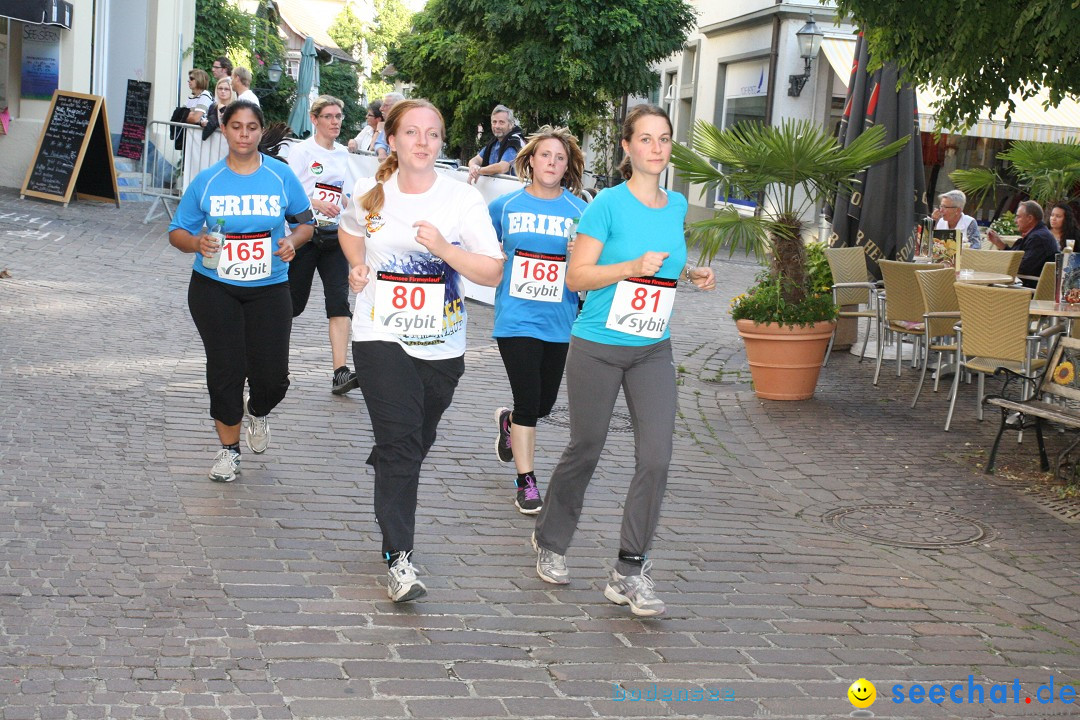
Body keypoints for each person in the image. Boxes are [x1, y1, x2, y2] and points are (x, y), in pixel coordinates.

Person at [530, 104, 716, 617]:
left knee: (655, 457)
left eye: (664, 139)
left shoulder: (676, 205)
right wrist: (631, 266)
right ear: (627, 148)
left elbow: (659, 275)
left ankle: (629, 570)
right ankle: (550, 537)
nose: (657, 148)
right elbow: (577, 278)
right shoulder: (605, 206)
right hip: (597, 346)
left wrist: (688, 275)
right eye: (646, 139)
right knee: (586, 447)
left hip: (653, 347)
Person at [337, 99, 504, 602]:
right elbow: (348, 231)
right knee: (404, 442)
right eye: (412, 132)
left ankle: (390, 460)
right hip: (378, 334)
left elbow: (492, 271)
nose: (423, 142)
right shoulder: (371, 193)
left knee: (414, 440)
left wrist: (446, 251)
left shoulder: (461, 201)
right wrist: (357, 266)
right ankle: (400, 557)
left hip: (441, 344)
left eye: (433, 134)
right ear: (392, 140)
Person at [167, 100, 314, 483]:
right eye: (236, 126)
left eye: (251, 127)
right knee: (225, 368)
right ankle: (229, 451)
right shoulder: (208, 180)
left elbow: (305, 223)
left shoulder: (280, 176)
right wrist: (196, 243)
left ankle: (259, 410)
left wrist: (293, 242)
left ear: (260, 130)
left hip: (269, 286)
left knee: (272, 378)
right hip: (215, 287)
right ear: (225, 129)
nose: (244, 134)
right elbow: (177, 232)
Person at [488, 126, 587, 516]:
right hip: (515, 317)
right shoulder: (505, 207)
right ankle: (526, 482)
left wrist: (581, 255)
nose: (552, 162)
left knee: (542, 404)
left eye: (559, 158)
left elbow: (595, 264)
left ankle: (509, 423)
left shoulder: (581, 211)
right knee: (529, 400)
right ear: (530, 161)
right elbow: (480, 246)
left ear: (567, 167)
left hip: (560, 318)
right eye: (545, 155)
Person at [285, 95, 360, 395]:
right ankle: (274, 362)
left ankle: (340, 372)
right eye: (328, 116)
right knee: (291, 303)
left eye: (339, 116)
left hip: (334, 237)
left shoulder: (343, 155)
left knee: (339, 302)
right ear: (314, 120)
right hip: (305, 235)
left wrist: (344, 202)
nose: (335, 122)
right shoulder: (301, 151)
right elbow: (289, 192)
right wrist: (315, 202)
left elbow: (344, 193)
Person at [987, 200, 1060, 286]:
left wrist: (993, 265)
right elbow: (1017, 260)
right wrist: (1000, 244)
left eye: (1018, 217)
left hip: (1029, 289)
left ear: (1030, 218)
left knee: (986, 287)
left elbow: (1022, 267)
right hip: (1024, 283)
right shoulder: (1037, 234)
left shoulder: (1038, 238)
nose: (1015, 221)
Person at [467, 105, 525, 183]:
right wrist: (473, 166)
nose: (497, 126)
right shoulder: (494, 143)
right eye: (494, 122)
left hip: (513, 189)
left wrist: (479, 170)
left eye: (501, 122)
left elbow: (502, 167)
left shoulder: (515, 141)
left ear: (511, 124)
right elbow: (476, 159)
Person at [372, 92, 405, 160]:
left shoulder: (411, 126)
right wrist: (382, 152)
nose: (381, 109)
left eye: (385, 105)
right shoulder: (389, 125)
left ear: (397, 107)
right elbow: (380, 143)